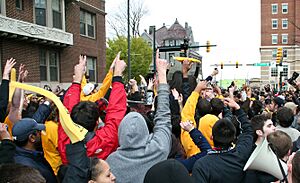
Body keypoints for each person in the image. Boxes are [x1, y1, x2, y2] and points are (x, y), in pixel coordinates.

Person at [106, 50, 172, 183]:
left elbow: (112, 115)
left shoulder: (110, 163)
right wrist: (163, 76)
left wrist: (113, 74)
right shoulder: (159, 149)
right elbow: (163, 119)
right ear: (146, 132)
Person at [58, 54, 127, 166]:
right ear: (96, 123)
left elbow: (67, 109)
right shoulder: (105, 139)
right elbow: (115, 112)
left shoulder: (65, 140)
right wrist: (117, 75)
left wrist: (77, 79)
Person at [192, 98, 254, 183]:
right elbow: (248, 131)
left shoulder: (202, 165)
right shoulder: (241, 153)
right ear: (233, 137)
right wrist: (237, 108)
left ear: (212, 137)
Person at [12, 118, 57, 183]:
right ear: (32, 138)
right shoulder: (29, 169)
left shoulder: (16, 155)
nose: (42, 134)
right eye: (39, 132)